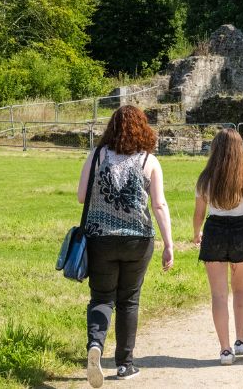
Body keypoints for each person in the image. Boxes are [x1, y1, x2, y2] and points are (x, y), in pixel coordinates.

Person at [76, 106, 174, 387]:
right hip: (137, 239)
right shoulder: (149, 161)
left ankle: (95, 344)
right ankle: (124, 364)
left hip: (100, 238)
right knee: (128, 301)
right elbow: (159, 204)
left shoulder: (96, 156)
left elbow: (81, 196)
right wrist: (169, 244)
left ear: (112, 128)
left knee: (102, 298)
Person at [192, 128, 243, 366]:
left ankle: (225, 349)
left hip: (214, 231)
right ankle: (241, 340)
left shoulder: (205, 179)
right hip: (240, 232)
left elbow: (199, 214)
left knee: (218, 294)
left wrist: (197, 233)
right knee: (241, 288)